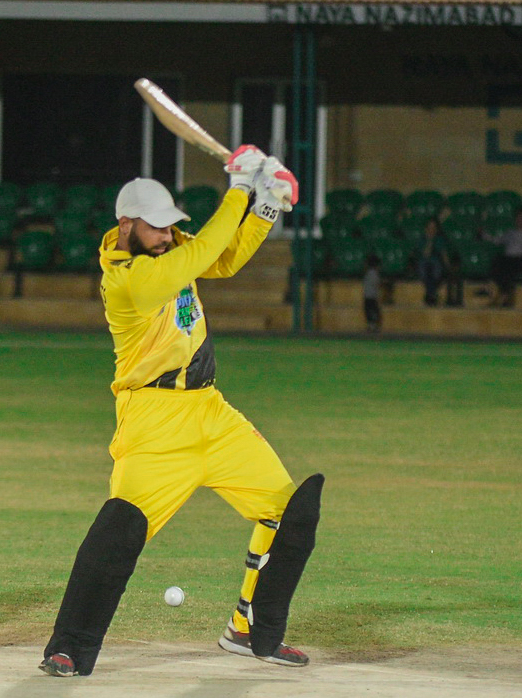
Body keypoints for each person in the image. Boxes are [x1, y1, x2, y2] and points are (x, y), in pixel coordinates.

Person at [39, 147, 324, 678]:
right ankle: (70, 647)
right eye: (157, 227)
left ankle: (249, 629)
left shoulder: (167, 249)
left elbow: (225, 256)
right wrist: (239, 189)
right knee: (120, 532)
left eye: (171, 226)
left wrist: (266, 206)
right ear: (126, 225)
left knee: (290, 514)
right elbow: (202, 253)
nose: (167, 235)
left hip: (210, 411)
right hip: (153, 421)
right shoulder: (128, 278)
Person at [485, 206, 522, 308]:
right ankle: (504, 295)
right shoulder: (510, 233)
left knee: (508, 266)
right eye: (518, 218)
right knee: (499, 261)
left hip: (519, 259)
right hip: (507, 259)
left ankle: (503, 295)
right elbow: (497, 240)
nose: (520, 220)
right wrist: (485, 235)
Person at [414, 216, 449, 306]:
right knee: (425, 269)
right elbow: (426, 254)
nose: (431, 230)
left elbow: (444, 254)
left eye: (434, 228)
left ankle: (429, 295)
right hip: (424, 263)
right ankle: (432, 295)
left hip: (436, 264)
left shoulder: (440, 239)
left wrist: (448, 267)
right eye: (430, 227)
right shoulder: (421, 239)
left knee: (435, 271)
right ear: (426, 229)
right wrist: (430, 240)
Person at [363, 253, 382, 332]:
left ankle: (371, 326)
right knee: (373, 311)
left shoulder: (368, 273)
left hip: (368, 295)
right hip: (372, 296)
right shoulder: (373, 273)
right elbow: (377, 284)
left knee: (369, 311)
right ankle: (373, 326)